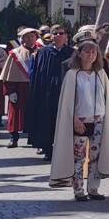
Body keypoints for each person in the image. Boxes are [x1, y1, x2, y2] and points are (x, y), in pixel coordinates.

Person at [49, 35, 109, 200]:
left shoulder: (101, 74)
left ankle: (93, 188)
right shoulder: (72, 75)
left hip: (99, 120)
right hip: (81, 120)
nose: (91, 55)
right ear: (80, 53)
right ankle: (78, 190)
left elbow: (106, 97)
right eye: (87, 51)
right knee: (79, 157)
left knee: (96, 157)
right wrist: (74, 119)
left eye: (94, 52)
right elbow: (67, 101)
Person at [26, 26, 73, 159]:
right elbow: (37, 73)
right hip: (47, 92)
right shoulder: (43, 52)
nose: (58, 35)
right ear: (51, 36)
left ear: (66, 36)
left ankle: (64, 150)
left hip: (65, 91)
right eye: (55, 33)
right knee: (47, 120)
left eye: (61, 33)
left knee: (64, 121)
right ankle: (47, 149)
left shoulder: (72, 53)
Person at [0, 28, 39, 147]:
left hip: (36, 87)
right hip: (19, 88)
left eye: (32, 36)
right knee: (15, 114)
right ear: (22, 38)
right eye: (27, 37)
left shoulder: (42, 52)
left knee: (36, 114)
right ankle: (14, 138)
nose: (30, 39)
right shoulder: (15, 53)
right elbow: (8, 75)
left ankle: (34, 138)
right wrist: (10, 91)